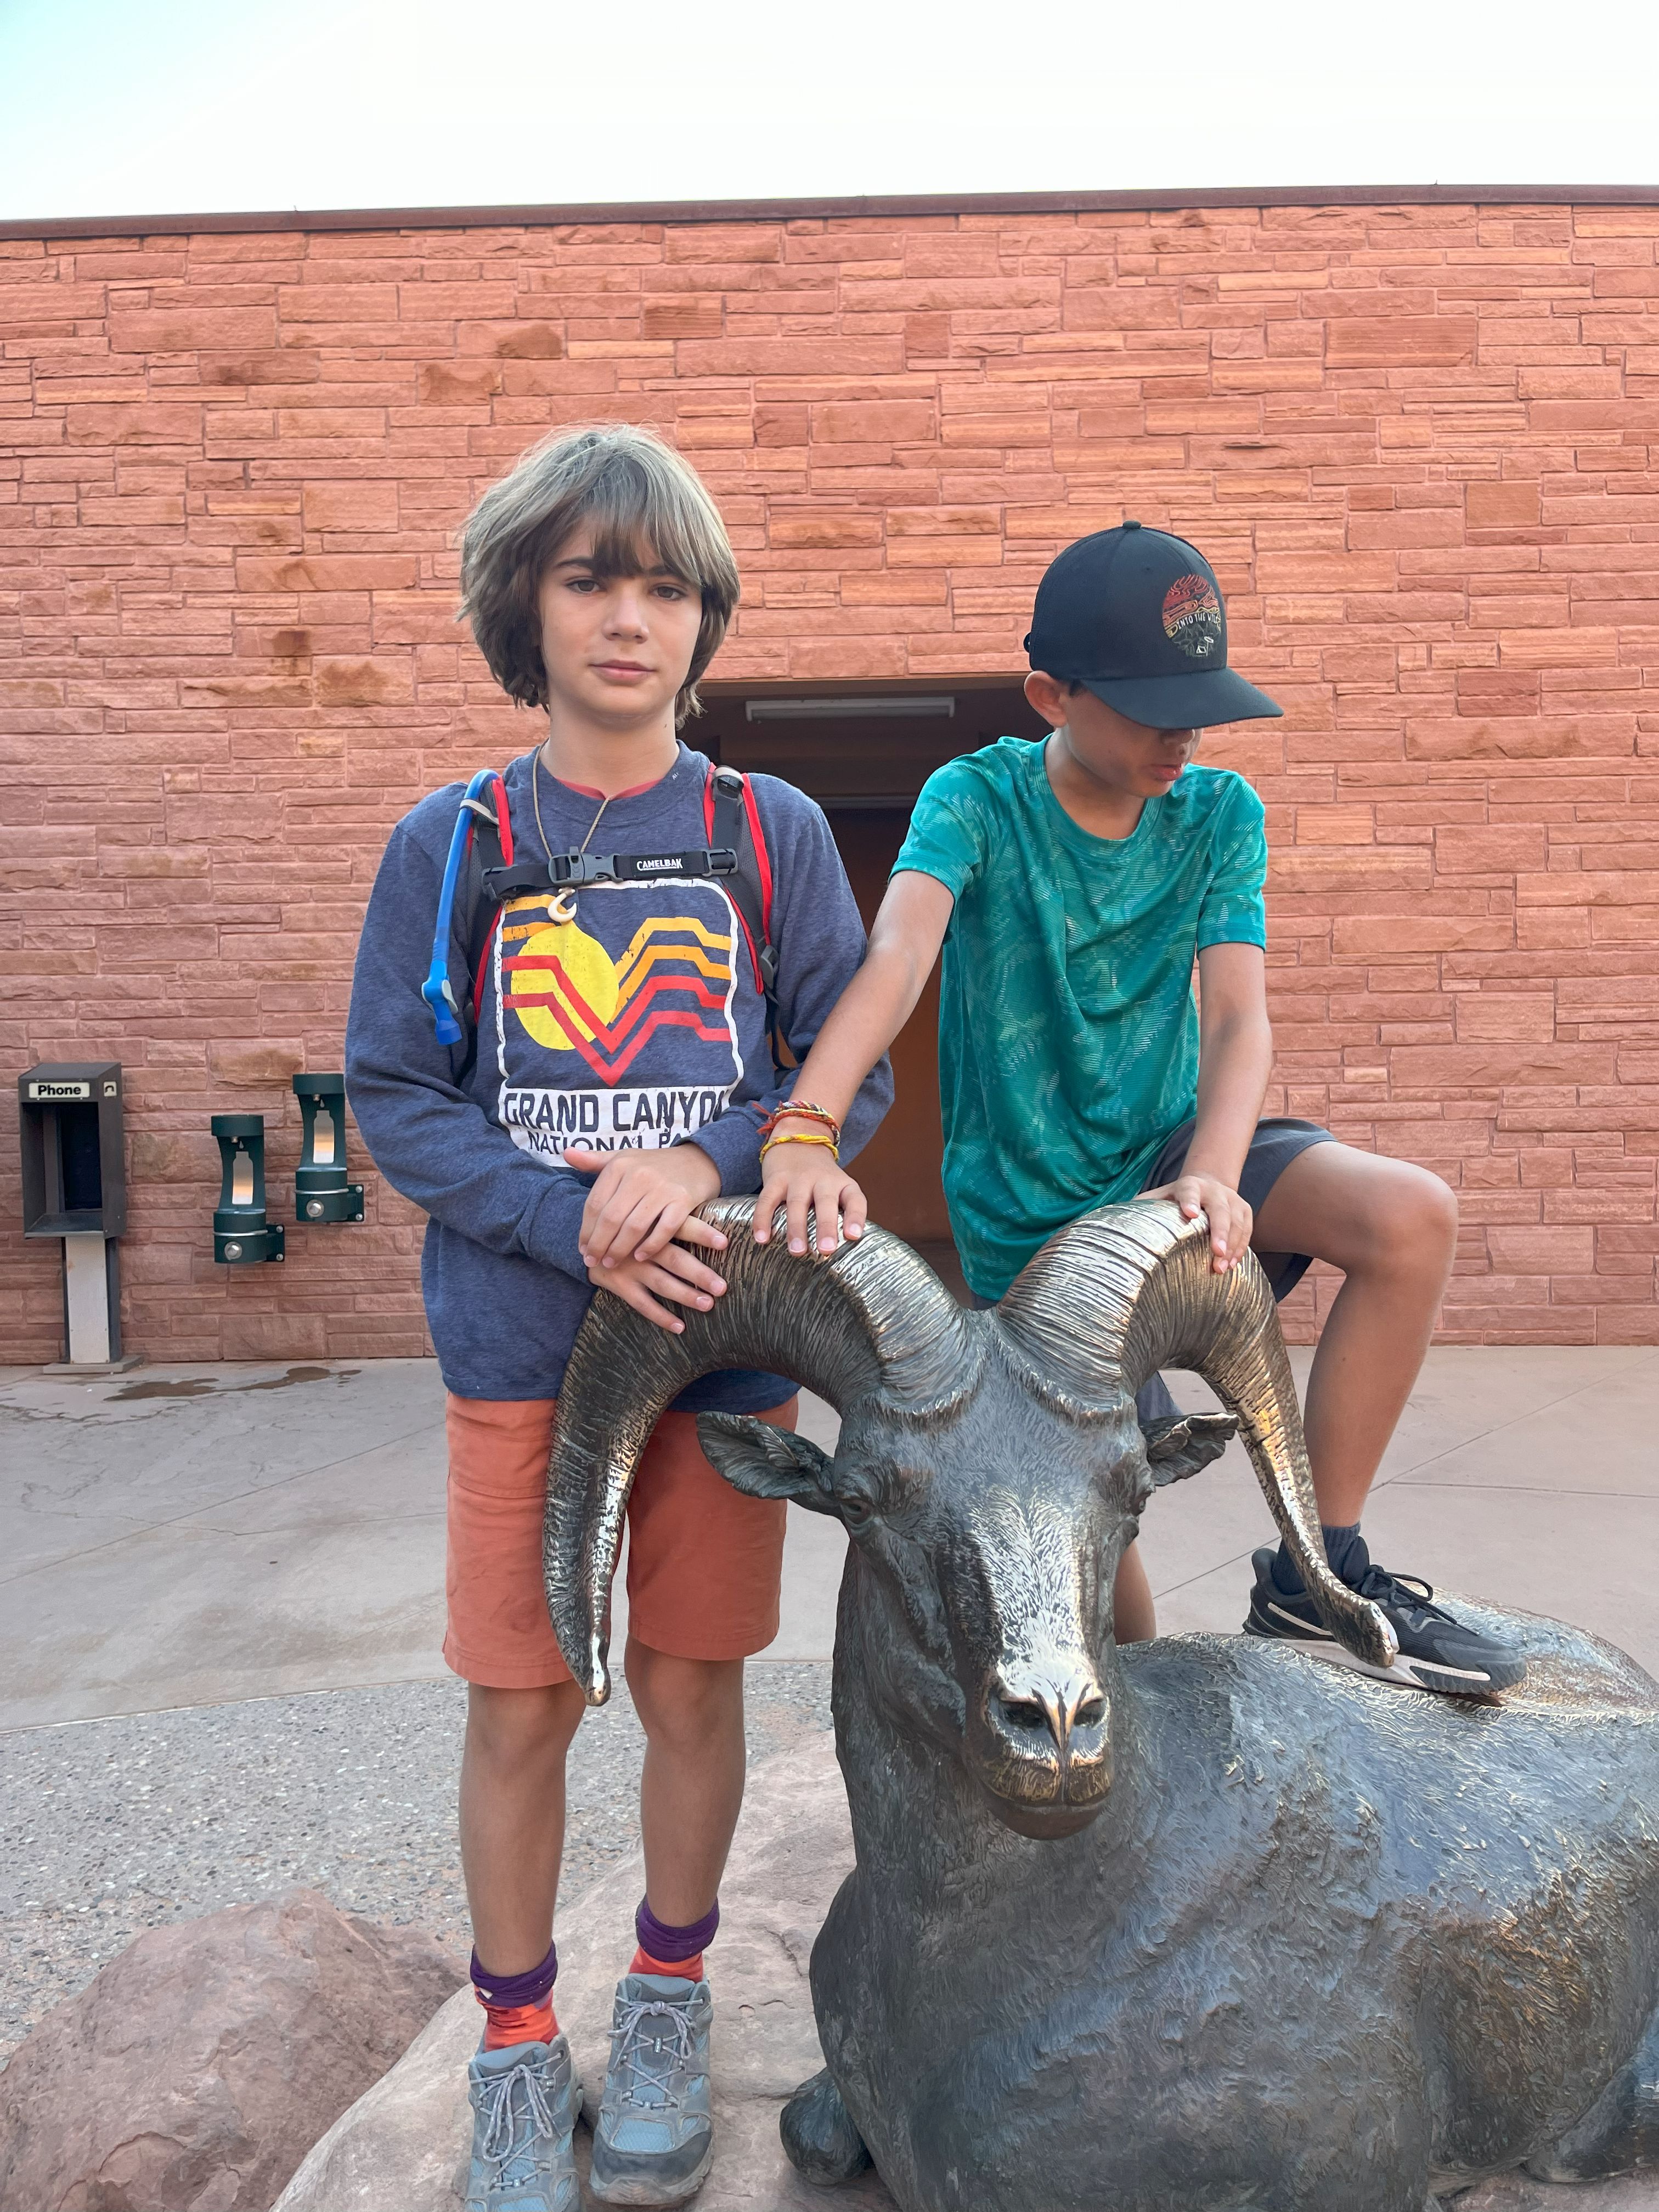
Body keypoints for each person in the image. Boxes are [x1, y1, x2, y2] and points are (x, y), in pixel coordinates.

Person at [690, 520, 1525, 1702]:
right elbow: (898, 954)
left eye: (1198, 703)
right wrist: (803, 1126)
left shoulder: (1218, 810)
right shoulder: (973, 800)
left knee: (1411, 1217)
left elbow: (1238, 1021)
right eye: (1148, 705)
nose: (1182, 732)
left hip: (1176, 1153)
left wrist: (1218, 1176)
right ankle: (1132, 1716)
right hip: (1031, 1217)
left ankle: (1315, 1566)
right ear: (1051, 695)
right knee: (1106, 1558)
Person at [345, 425, 891, 2212]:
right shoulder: (454, 841)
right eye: (592, 578)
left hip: (726, 1356)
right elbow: (396, 1094)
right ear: (526, 599)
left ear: (703, 617)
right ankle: (516, 2042)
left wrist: (703, 1150)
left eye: (665, 585)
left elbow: (835, 1073)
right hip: (522, 1360)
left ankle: (664, 1998)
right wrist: (570, 1214)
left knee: (690, 1682)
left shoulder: (765, 830)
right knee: (521, 1706)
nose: (630, 615)